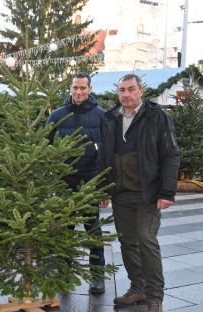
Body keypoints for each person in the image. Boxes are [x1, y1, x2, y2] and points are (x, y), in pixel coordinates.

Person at [100, 74, 180, 312]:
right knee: (127, 242)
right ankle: (138, 288)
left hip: (148, 193)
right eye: (122, 90)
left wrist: (167, 192)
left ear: (141, 91)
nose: (126, 94)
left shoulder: (158, 117)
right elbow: (105, 155)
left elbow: (170, 155)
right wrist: (104, 187)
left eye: (131, 89)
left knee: (146, 239)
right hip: (121, 193)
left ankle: (155, 296)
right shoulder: (111, 118)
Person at [46, 72, 107, 294]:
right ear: (70, 88)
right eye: (75, 88)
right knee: (65, 231)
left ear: (89, 89)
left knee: (93, 231)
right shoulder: (57, 116)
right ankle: (64, 273)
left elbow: (108, 154)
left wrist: (103, 187)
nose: (78, 92)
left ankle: (97, 277)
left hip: (90, 181)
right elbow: (45, 147)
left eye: (83, 88)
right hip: (64, 182)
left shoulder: (101, 116)